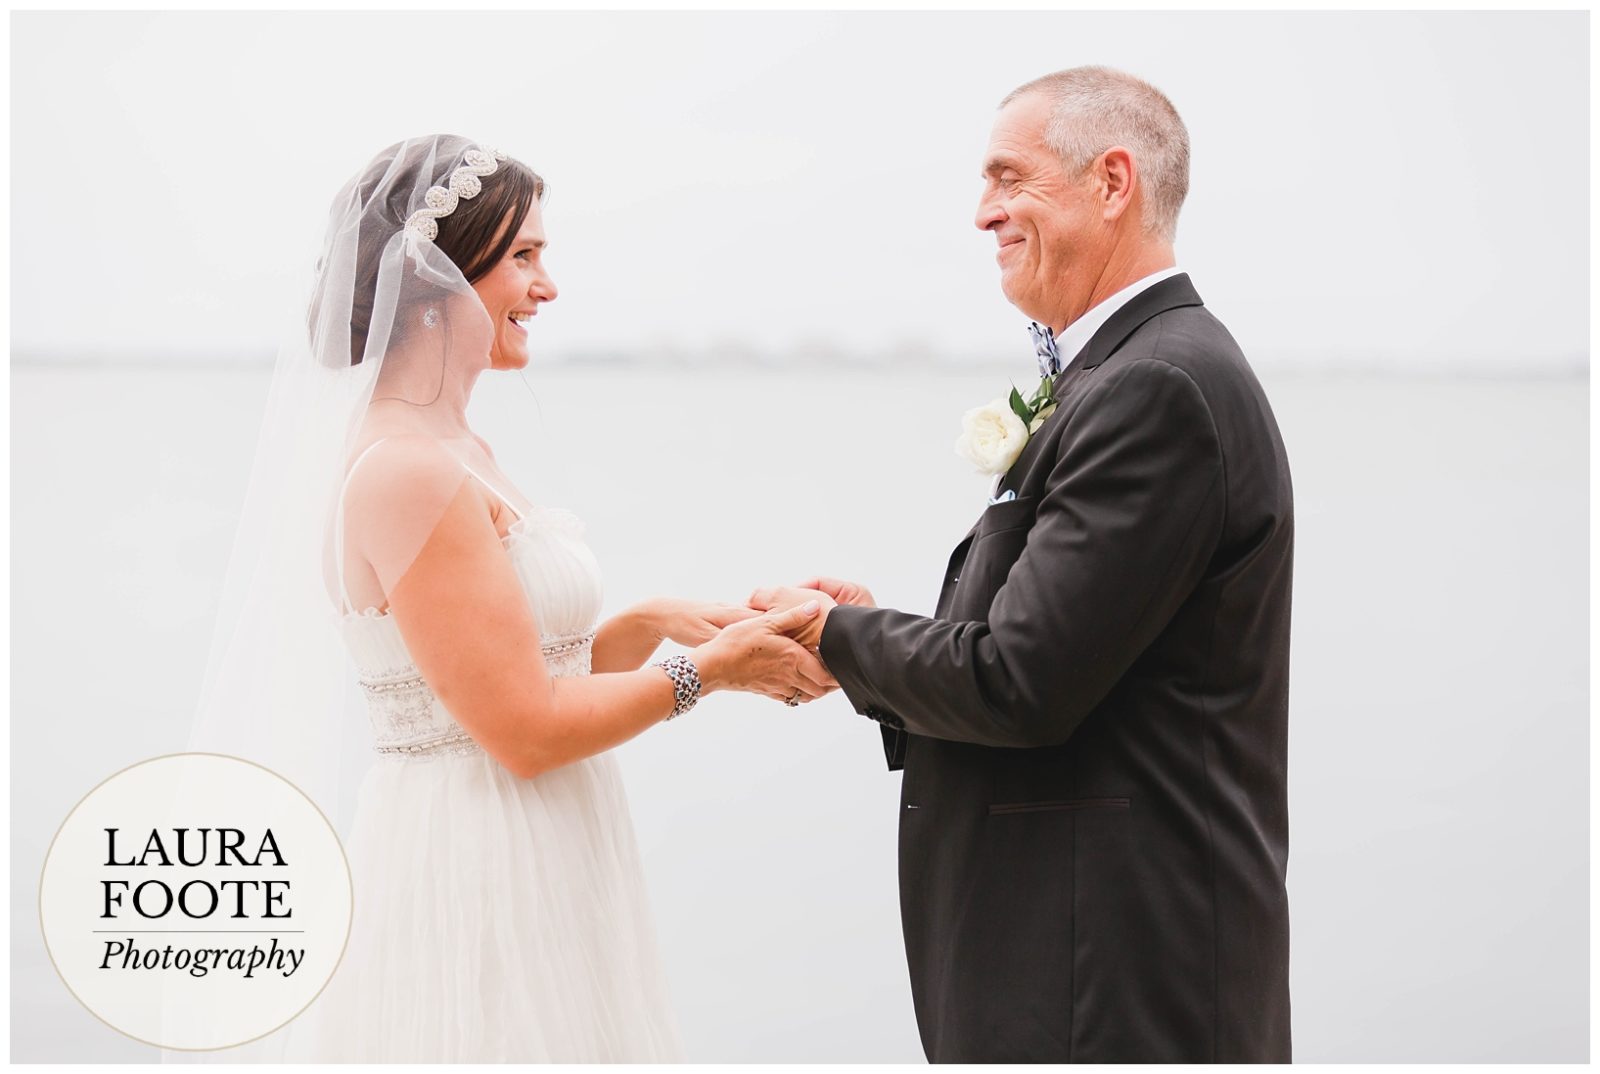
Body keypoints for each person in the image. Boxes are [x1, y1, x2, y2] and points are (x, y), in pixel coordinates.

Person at [187, 135, 832, 1062]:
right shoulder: (406, 470)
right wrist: (710, 673)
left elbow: (502, 677)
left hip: (541, 836)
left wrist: (650, 626)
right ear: (436, 285)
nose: (548, 286)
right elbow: (524, 732)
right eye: (523, 258)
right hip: (478, 861)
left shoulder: (453, 447)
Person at [752, 67, 1294, 1062]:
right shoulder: (1118, 374)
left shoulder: (1157, 386)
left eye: (1009, 178)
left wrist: (837, 637)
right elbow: (1057, 646)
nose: (981, 213)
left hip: (1112, 982)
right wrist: (872, 637)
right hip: (1076, 964)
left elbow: (1021, 682)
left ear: (1113, 182)